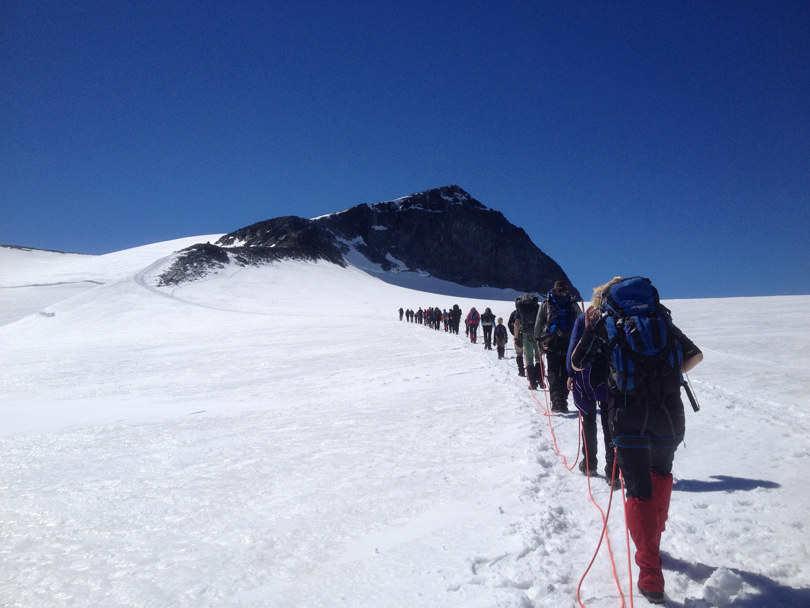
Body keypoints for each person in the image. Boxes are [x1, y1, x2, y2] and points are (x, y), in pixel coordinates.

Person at [571, 276, 703, 604]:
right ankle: (654, 541)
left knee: (638, 488)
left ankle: (650, 571)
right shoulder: (661, 321)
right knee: (661, 474)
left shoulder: (605, 322)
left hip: (627, 417)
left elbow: (577, 361)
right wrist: (665, 378)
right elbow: (695, 355)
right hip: (669, 414)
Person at [566, 282, 615, 483]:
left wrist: (570, 373)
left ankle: (589, 464)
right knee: (610, 421)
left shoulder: (583, 319)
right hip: (610, 376)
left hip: (585, 375)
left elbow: (574, 347)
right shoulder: (615, 320)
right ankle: (613, 469)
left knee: (588, 419)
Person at [536, 281, 581, 413]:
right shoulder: (572, 303)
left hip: (551, 342)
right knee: (567, 371)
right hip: (569, 343)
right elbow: (580, 320)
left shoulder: (547, 303)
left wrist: (540, 343)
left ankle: (556, 401)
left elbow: (538, 326)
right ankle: (563, 401)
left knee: (553, 371)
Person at [514, 293, 543, 390]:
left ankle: (532, 383)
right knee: (538, 357)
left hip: (526, 334)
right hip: (537, 334)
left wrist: (516, 338)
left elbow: (517, 324)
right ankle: (541, 379)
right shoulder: (536, 305)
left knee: (529, 358)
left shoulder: (520, 307)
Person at [507, 310, 525, 377]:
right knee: (531, 356)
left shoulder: (515, 312)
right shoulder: (533, 308)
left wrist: (515, 334)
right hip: (531, 335)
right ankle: (535, 375)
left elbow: (509, 324)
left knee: (519, 353)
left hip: (518, 336)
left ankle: (521, 371)